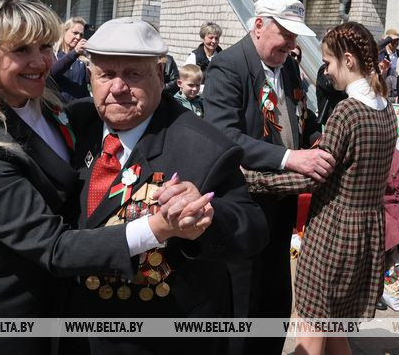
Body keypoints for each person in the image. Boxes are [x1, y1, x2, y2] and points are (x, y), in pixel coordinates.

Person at [0, 0, 152, 355]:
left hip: (47, 297)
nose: (40, 61)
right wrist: (155, 228)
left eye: (45, 46)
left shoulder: (43, 102)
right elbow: (52, 245)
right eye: (21, 50)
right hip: (0, 314)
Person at [66, 18, 267, 355]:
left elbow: (253, 229)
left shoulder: (204, 147)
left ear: (160, 75)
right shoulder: (75, 123)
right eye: (106, 74)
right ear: (90, 77)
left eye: (133, 74)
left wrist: (209, 216)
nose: (118, 87)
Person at [245, 21, 397, 355]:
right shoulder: (386, 109)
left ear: (348, 60)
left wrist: (255, 180)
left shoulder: (348, 111)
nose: (326, 71)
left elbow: (313, 175)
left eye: (328, 62)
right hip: (367, 231)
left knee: (312, 328)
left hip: (334, 231)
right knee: (335, 326)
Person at [203, 0, 327, 355]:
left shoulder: (288, 66)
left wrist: (318, 139)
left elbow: (302, 116)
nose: (291, 44)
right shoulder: (228, 66)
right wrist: (290, 157)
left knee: (275, 295)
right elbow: (225, 134)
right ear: (259, 25)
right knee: (244, 298)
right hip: (245, 201)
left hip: (281, 201)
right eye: (285, 34)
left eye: (294, 37)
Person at [50, 16, 89, 102]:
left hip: (79, 107)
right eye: (75, 33)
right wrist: (75, 52)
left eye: (81, 35)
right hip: (59, 106)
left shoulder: (83, 59)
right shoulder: (54, 53)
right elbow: (53, 72)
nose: (78, 37)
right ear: (64, 32)